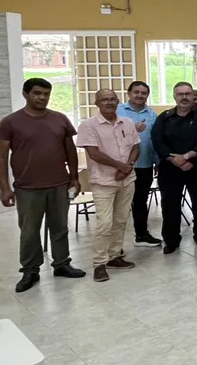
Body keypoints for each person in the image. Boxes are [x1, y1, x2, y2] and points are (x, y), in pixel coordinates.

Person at [0, 78, 86, 292]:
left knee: (60, 228)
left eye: (46, 94)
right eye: (37, 93)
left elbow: (70, 151)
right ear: (26, 94)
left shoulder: (59, 119)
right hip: (27, 187)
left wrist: (74, 177)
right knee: (29, 231)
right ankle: (30, 270)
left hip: (59, 184)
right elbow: (0, 157)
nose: (42, 98)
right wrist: (5, 188)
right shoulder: (10, 122)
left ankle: (62, 264)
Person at [76, 89, 141, 282]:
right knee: (105, 223)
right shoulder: (88, 125)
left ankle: (114, 256)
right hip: (103, 182)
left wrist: (127, 167)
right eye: (105, 99)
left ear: (118, 101)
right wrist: (121, 166)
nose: (109, 102)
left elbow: (136, 146)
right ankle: (99, 263)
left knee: (121, 221)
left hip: (127, 179)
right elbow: (94, 153)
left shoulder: (127, 123)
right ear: (97, 103)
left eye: (113, 99)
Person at [151, 82, 197, 254]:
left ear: (193, 96)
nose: (184, 97)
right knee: (170, 205)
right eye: (180, 94)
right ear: (174, 96)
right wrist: (174, 158)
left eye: (187, 94)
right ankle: (171, 240)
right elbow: (157, 140)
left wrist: (187, 156)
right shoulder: (164, 117)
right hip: (170, 168)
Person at [116, 80, 162, 248]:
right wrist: (131, 128)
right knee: (119, 203)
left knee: (141, 201)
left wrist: (157, 161)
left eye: (144, 93)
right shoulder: (118, 110)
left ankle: (141, 235)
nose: (140, 95)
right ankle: (115, 244)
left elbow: (154, 140)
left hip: (144, 164)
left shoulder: (151, 114)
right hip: (121, 164)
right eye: (136, 92)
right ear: (129, 93)